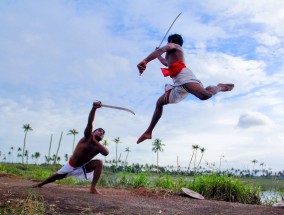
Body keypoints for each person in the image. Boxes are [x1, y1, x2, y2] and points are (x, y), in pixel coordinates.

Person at [136, 33, 234, 144]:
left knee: (205, 95)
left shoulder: (175, 46)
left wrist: (146, 61)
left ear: (171, 41)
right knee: (159, 103)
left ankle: (219, 87)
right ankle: (148, 132)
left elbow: (163, 50)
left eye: (168, 43)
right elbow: (165, 62)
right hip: (177, 83)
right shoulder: (171, 54)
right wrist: (158, 55)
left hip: (184, 76)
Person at [32, 101, 109, 194]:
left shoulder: (98, 146)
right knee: (57, 176)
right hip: (71, 164)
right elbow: (90, 122)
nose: (101, 133)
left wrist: (95, 141)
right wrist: (94, 109)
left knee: (99, 163)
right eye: (99, 131)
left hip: (83, 166)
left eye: (103, 133)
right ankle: (41, 184)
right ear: (93, 132)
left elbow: (106, 153)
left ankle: (93, 188)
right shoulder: (87, 137)